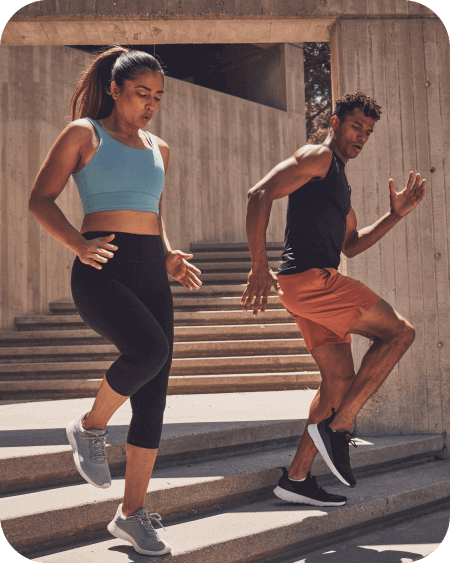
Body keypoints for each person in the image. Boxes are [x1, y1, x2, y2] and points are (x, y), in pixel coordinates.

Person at [28, 45, 202, 556]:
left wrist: (168, 254)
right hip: (101, 265)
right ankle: (89, 427)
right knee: (148, 352)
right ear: (115, 89)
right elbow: (40, 198)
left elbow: (153, 211)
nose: (150, 104)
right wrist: (78, 245)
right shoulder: (86, 134)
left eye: (158, 96)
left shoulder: (159, 147)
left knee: (154, 397)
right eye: (141, 94)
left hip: (152, 268)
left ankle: (131, 515)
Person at [241, 92, 426, 507]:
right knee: (400, 333)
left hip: (307, 288)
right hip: (312, 282)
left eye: (369, 132)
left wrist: (395, 214)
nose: (362, 136)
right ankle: (339, 428)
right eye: (356, 126)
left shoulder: (339, 181)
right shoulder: (317, 157)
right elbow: (258, 194)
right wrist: (257, 265)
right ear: (335, 121)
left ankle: (296, 478)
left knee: (337, 382)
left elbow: (352, 244)